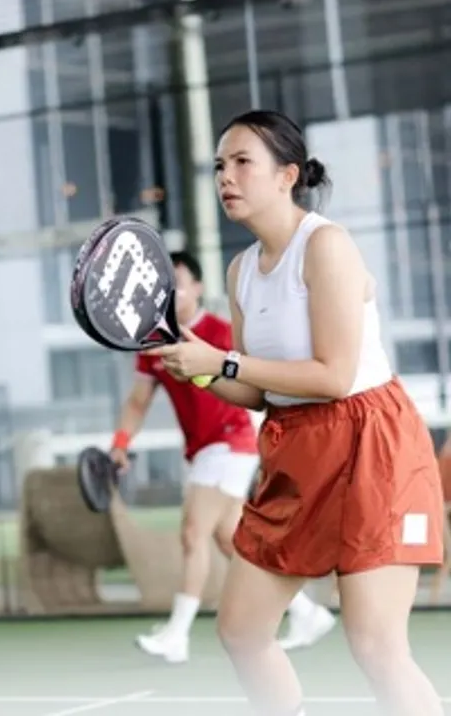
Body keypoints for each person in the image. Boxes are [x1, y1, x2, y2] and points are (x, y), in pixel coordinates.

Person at [147, 109, 445, 715]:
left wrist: (223, 361)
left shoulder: (326, 245)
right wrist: (200, 369)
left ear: (288, 175)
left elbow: (333, 376)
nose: (225, 177)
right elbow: (261, 391)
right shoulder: (240, 271)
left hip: (373, 444)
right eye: (219, 166)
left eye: (242, 162)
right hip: (294, 448)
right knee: (241, 631)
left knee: (376, 646)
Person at [111, 250, 335, 665]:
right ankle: (307, 613)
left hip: (231, 442)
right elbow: (138, 401)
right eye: (163, 286)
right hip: (203, 450)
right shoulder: (152, 346)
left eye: (178, 284)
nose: (170, 293)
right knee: (227, 538)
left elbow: (255, 382)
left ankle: (177, 634)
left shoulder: (220, 331)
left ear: (197, 288)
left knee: (193, 532)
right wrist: (121, 442)